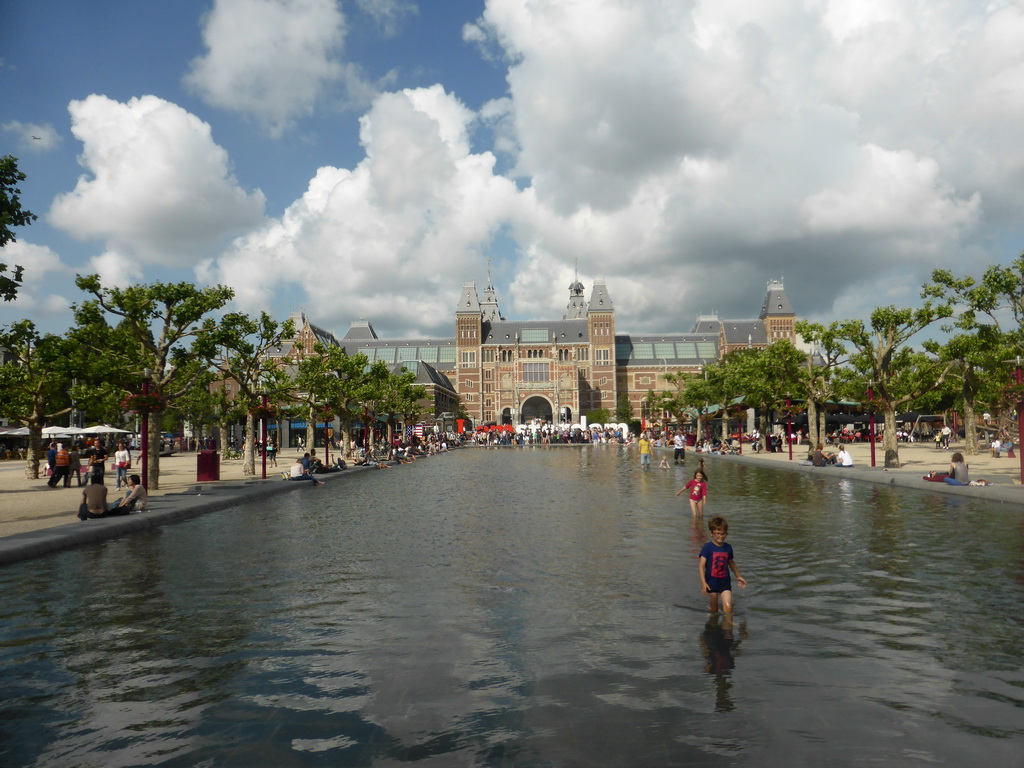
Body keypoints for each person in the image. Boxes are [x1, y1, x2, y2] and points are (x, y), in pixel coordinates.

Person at [698, 516, 747, 613]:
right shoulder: (707, 547)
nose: (720, 536)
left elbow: (731, 563)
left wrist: (739, 576)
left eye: (723, 533)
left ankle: (728, 625)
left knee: (728, 608)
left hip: (725, 583)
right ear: (711, 533)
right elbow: (701, 566)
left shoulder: (728, 548)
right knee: (714, 610)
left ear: (726, 534)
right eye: (717, 533)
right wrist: (703, 583)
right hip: (711, 584)